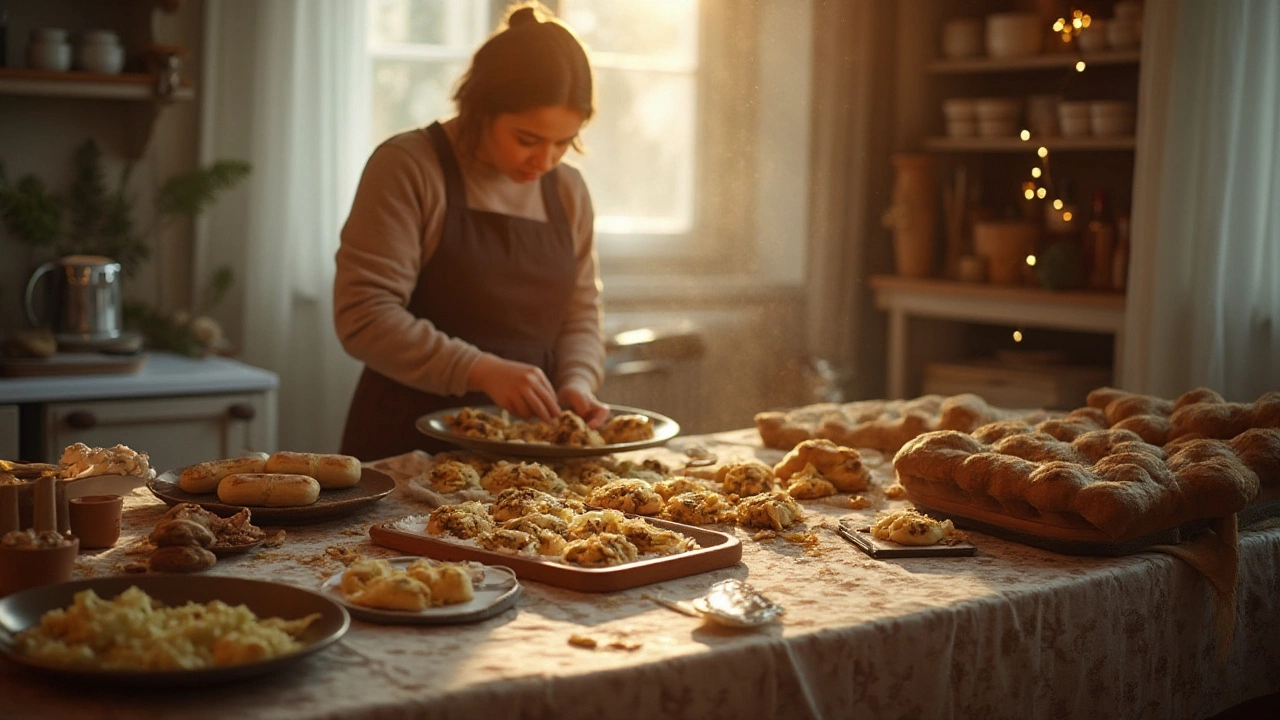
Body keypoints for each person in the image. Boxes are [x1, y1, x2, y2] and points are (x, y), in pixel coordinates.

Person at [334, 2, 607, 461]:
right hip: (409, 445)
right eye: (527, 139)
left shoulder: (568, 191)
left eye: (563, 142)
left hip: (531, 448)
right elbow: (364, 316)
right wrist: (480, 370)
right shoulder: (409, 167)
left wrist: (577, 381)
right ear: (480, 108)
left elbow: (580, 316)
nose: (544, 162)